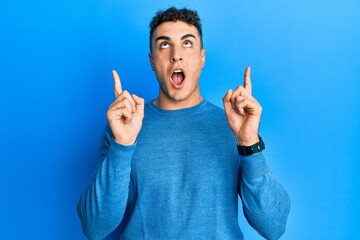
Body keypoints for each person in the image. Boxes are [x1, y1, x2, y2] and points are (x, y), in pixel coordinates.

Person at [77, 7, 290, 240]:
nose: (176, 54)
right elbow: (94, 227)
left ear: (202, 58)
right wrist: (123, 146)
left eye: (187, 43)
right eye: (164, 44)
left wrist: (249, 143)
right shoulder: (124, 128)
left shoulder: (234, 127)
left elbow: (274, 225)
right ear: (151, 60)